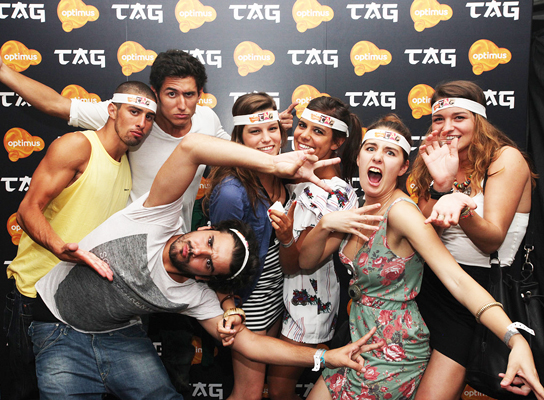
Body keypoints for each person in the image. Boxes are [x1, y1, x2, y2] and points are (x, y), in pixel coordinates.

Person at [0, 36, 296, 398]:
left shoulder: (204, 120)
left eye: (190, 95)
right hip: (84, 270)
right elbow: (57, 104)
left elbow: (234, 147)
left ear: (200, 95)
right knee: (33, 383)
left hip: (168, 263)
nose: (181, 105)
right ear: (154, 94)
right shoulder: (128, 116)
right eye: (171, 95)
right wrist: (2, 71)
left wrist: (269, 132)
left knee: (171, 371)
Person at [30, 133, 384, 400]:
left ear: (206, 278)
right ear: (204, 229)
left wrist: (326, 357)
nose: (199, 252)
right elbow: (191, 147)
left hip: (117, 335)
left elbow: (251, 345)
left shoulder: (192, 295)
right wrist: (273, 164)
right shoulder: (156, 216)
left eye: (209, 264)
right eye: (210, 242)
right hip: (58, 327)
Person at [296, 114, 544, 400]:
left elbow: (458, 280)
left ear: (403, 167)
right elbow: (306, 262)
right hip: (355, 343)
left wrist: (515, 339)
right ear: (359, 158)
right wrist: (325, 224)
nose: (377, 157)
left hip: (392, 352)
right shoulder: (356, 210)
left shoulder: (402, 213)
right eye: (371, 148)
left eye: (390, 153)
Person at [4, 82, 156, 399]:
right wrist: (60, 249)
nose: (141, 123)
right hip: (33, 296)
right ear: (112, 110)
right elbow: (27, 210)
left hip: (79, 303)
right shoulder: (79, 146)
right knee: (26, 393)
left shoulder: (127, 164)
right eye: (134, 111)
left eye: (149, 117)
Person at [408, 80, 538, 400]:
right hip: (430, 286)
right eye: (439, 119)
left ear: (478, 120)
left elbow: (491, 240)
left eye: (459, 117)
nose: (447, 127)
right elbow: (424, 235)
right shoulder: (434, 160)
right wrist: (441, 186)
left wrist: (460, 206)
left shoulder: (505, 159)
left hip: (478, 294)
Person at [267, 96, 363, 400]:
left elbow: (297, 263)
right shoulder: (304, 176)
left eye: (318, 131)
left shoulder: (332, 193)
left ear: (337, 143)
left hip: (308, 307)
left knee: (279, 391)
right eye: (302, 125)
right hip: (289, 299)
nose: (304, 135)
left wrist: (286, 236)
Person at [204, 92, 290, 400]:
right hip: (247, 302)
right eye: (255, 131)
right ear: (239, 138)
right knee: (249, 393)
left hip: (276, 296)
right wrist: (232, 307)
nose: (267, 138)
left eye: (272, 128)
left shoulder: (282, 172)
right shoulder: (231, 192)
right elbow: (218, 262)